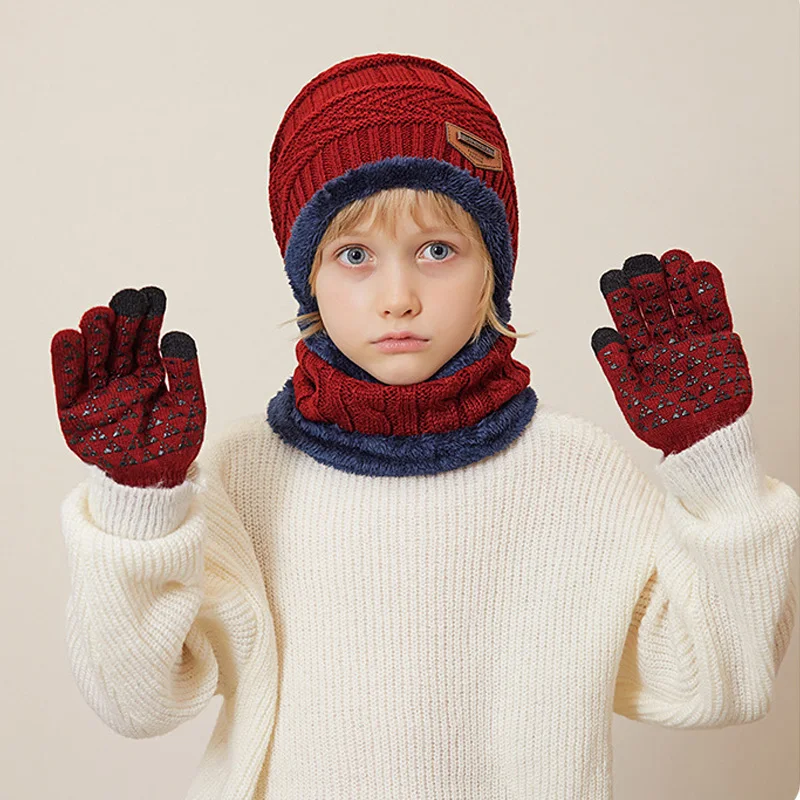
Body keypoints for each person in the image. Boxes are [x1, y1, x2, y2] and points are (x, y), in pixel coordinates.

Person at [50, 52, 800, 800]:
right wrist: (138, 506)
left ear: (493, 269)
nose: (398, 296)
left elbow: (719, 681)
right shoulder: (246, 473)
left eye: (437, 250)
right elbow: (137, 701)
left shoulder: (573, 473)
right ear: (305, 275)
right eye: (353, 255)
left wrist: (716, 464)